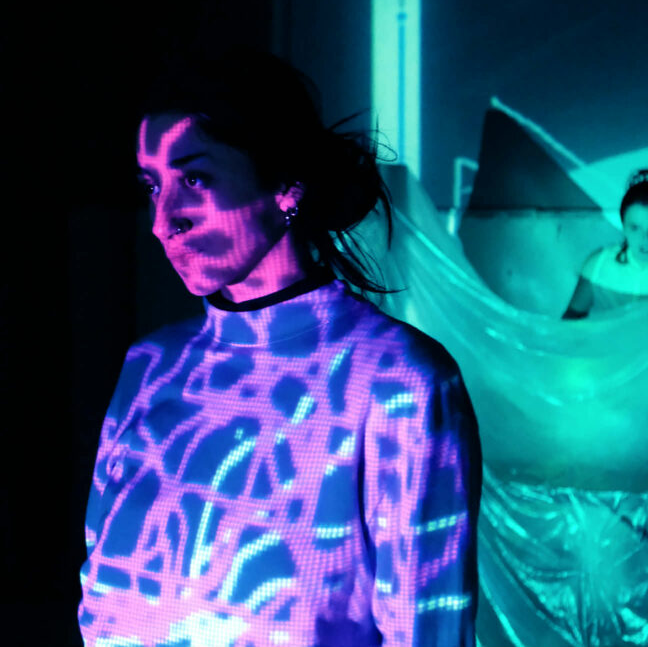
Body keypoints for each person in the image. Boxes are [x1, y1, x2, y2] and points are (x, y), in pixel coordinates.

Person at [78, 50, 481, 647]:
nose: (163, 222)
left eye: (194, 179)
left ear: (287, 183)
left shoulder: (399, 381)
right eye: (152, 186)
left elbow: (429, 628)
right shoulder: (150, 366)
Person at [563, 169, 648, 319]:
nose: (646, 240)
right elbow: (569, 324)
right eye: (635, 228)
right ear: (624, 227)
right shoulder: (600, 264)